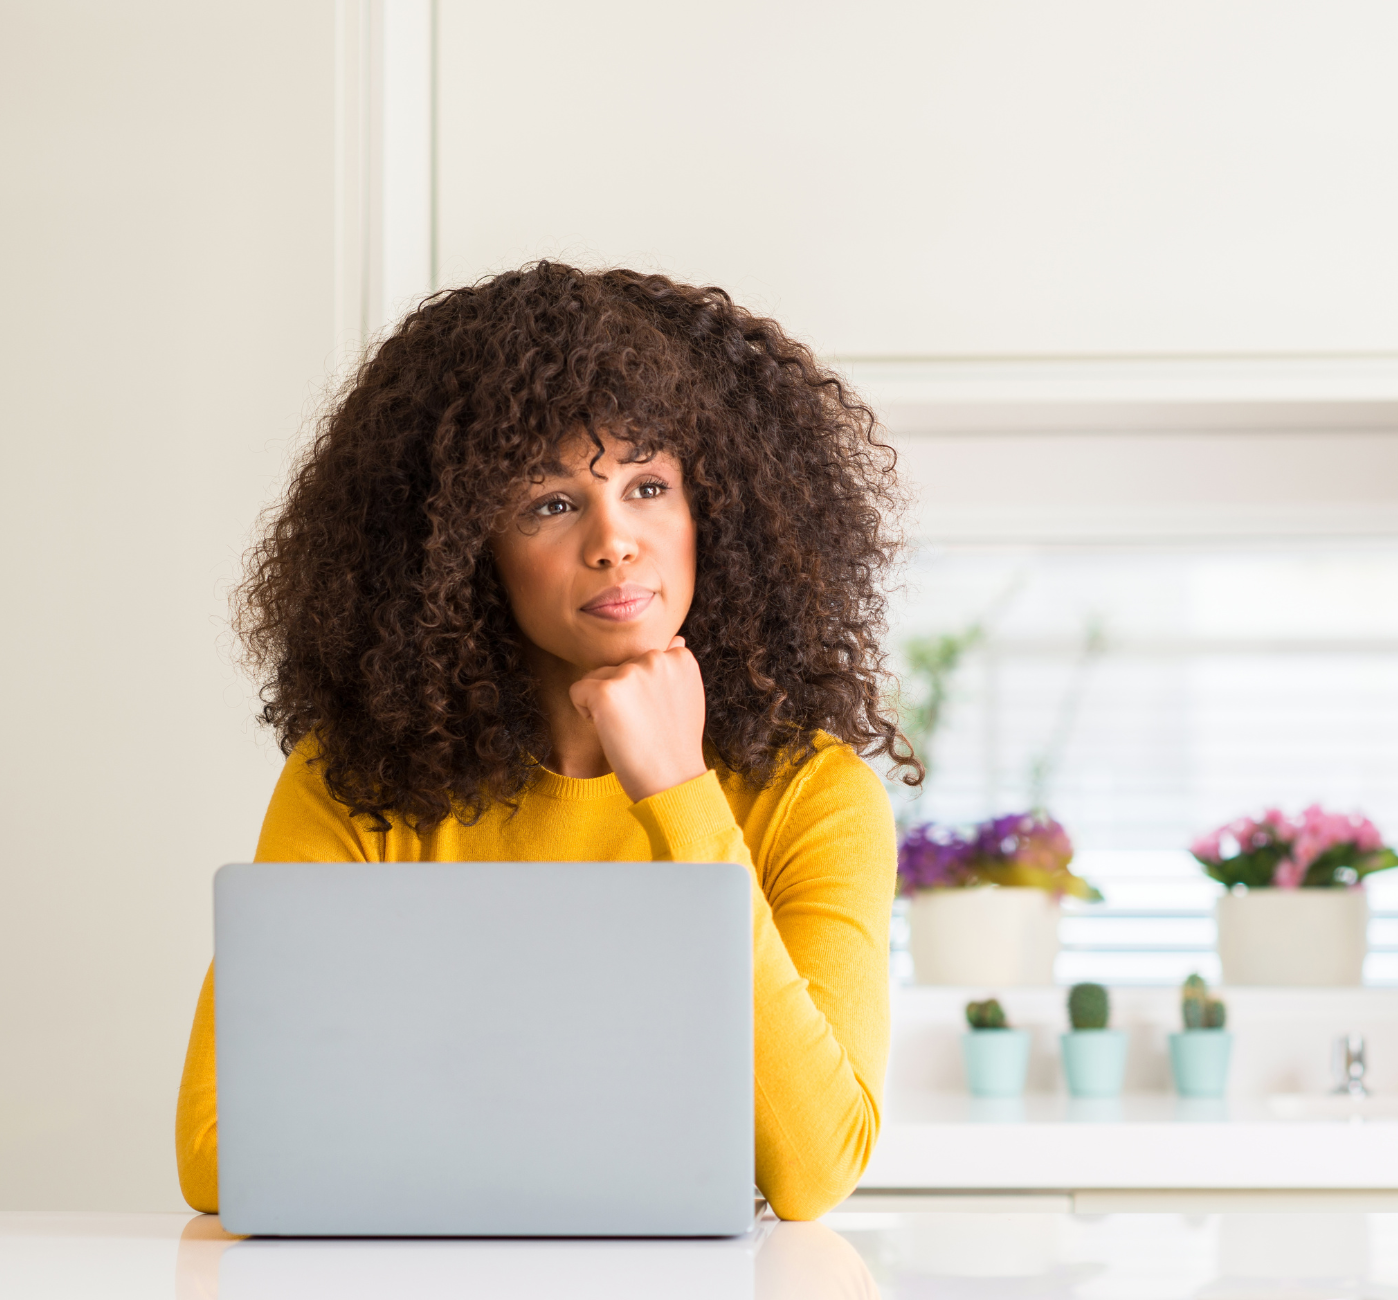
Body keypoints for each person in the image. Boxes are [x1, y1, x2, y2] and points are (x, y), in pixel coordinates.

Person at [175, 262, 916, 1221]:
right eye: (551, 504)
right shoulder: (358, 780)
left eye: (649, 486)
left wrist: (680, 792)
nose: (614, 542)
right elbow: (220, 1152)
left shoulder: (814, 795)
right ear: (463, 551)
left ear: (716, 513)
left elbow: (815, 1168)